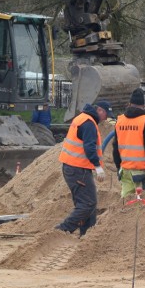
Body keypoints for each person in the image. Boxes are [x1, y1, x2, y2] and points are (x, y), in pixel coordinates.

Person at [55, 101, 110, 236]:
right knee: (88, 203)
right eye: (106, 114)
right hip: (78, 169)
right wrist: (98, 167)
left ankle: (87, 234)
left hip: (72, 167)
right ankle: (61, 231)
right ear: (100, 111)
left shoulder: (82, 118)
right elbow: (89, 147)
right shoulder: (89, 123)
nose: (106, 118)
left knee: (86, 203)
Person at [113, 88, 145, 198]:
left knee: (125, 202)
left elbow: (115, 147)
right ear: (143, 105)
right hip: (141, 172)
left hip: (125, 171)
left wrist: (118, 167)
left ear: (129, 104)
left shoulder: (120, 120)